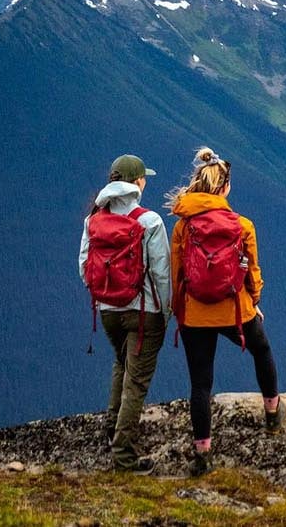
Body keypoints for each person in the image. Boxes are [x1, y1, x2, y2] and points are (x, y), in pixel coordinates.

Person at [169, 147, 283, 476]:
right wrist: (254, 303)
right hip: (236, 309)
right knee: (261, 350)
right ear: (225, 188)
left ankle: (203, 454)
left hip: (194, 313)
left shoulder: (182, 227)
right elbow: (252, 272)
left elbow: (178, 272)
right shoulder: (242, 225)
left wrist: (181, 311)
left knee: (201, 384)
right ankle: (273, 414)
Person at [79, 153, 171, 474]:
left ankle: (110, 428)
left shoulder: (94, 219)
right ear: (137, 182)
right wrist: (166, 311)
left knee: (121, 363)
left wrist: (106, 295)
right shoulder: (150, 221)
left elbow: (84, 268)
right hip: (144, 312)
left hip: (107, 312)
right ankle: (124, 456)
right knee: (137, 381)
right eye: (144, 177)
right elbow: (161, 273)